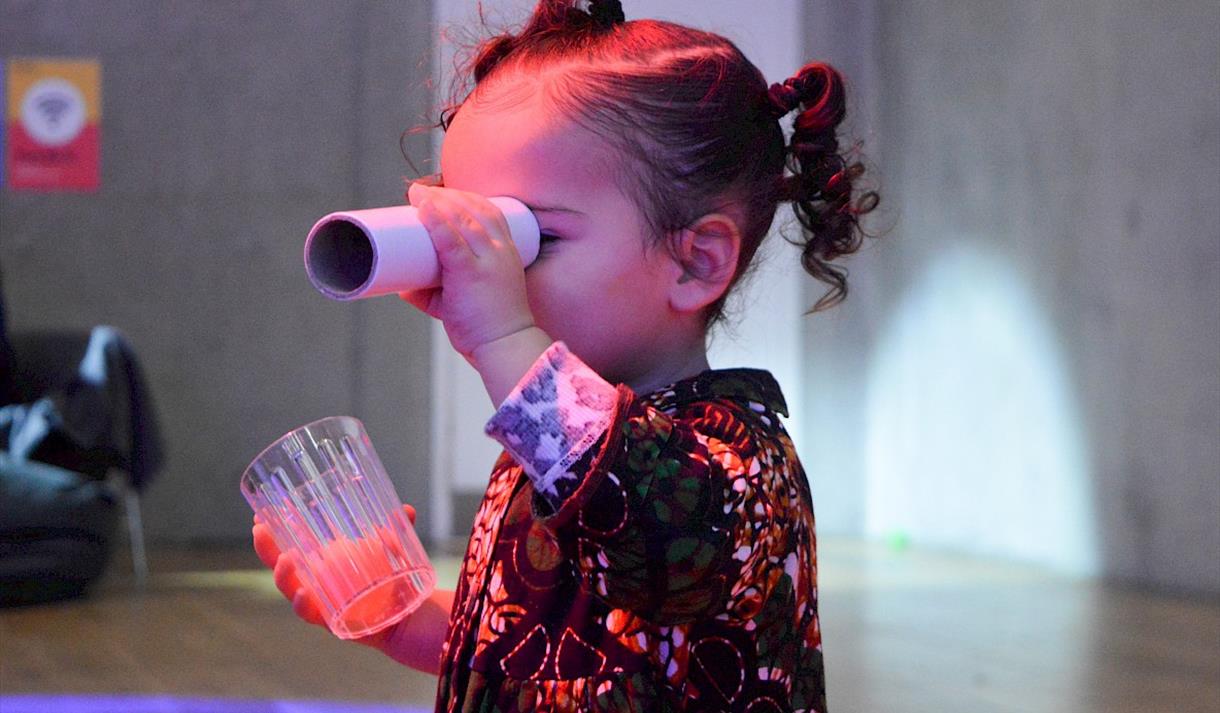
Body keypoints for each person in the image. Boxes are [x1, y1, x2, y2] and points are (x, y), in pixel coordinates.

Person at [253, 1, 879, 710]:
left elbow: (654, 537)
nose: (484, 272)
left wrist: (499, 338)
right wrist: (407, 618)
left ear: (695, 260)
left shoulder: (734, 458)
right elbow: (541, 650)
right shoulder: (556, 456)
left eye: (530, 238)